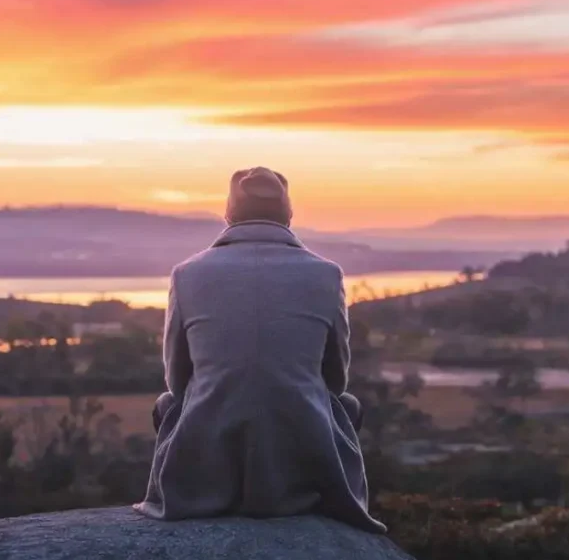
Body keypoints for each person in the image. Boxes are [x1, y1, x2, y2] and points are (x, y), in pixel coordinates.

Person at [133, 167, 385, 533]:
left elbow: (177, 381)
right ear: (289, 214)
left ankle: (206, 489)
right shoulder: (326, 274)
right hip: (300, 465)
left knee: (166, 404)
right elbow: (334, 380)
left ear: (228, 213)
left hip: (208, 462)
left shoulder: (187, 274)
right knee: (348, 405)